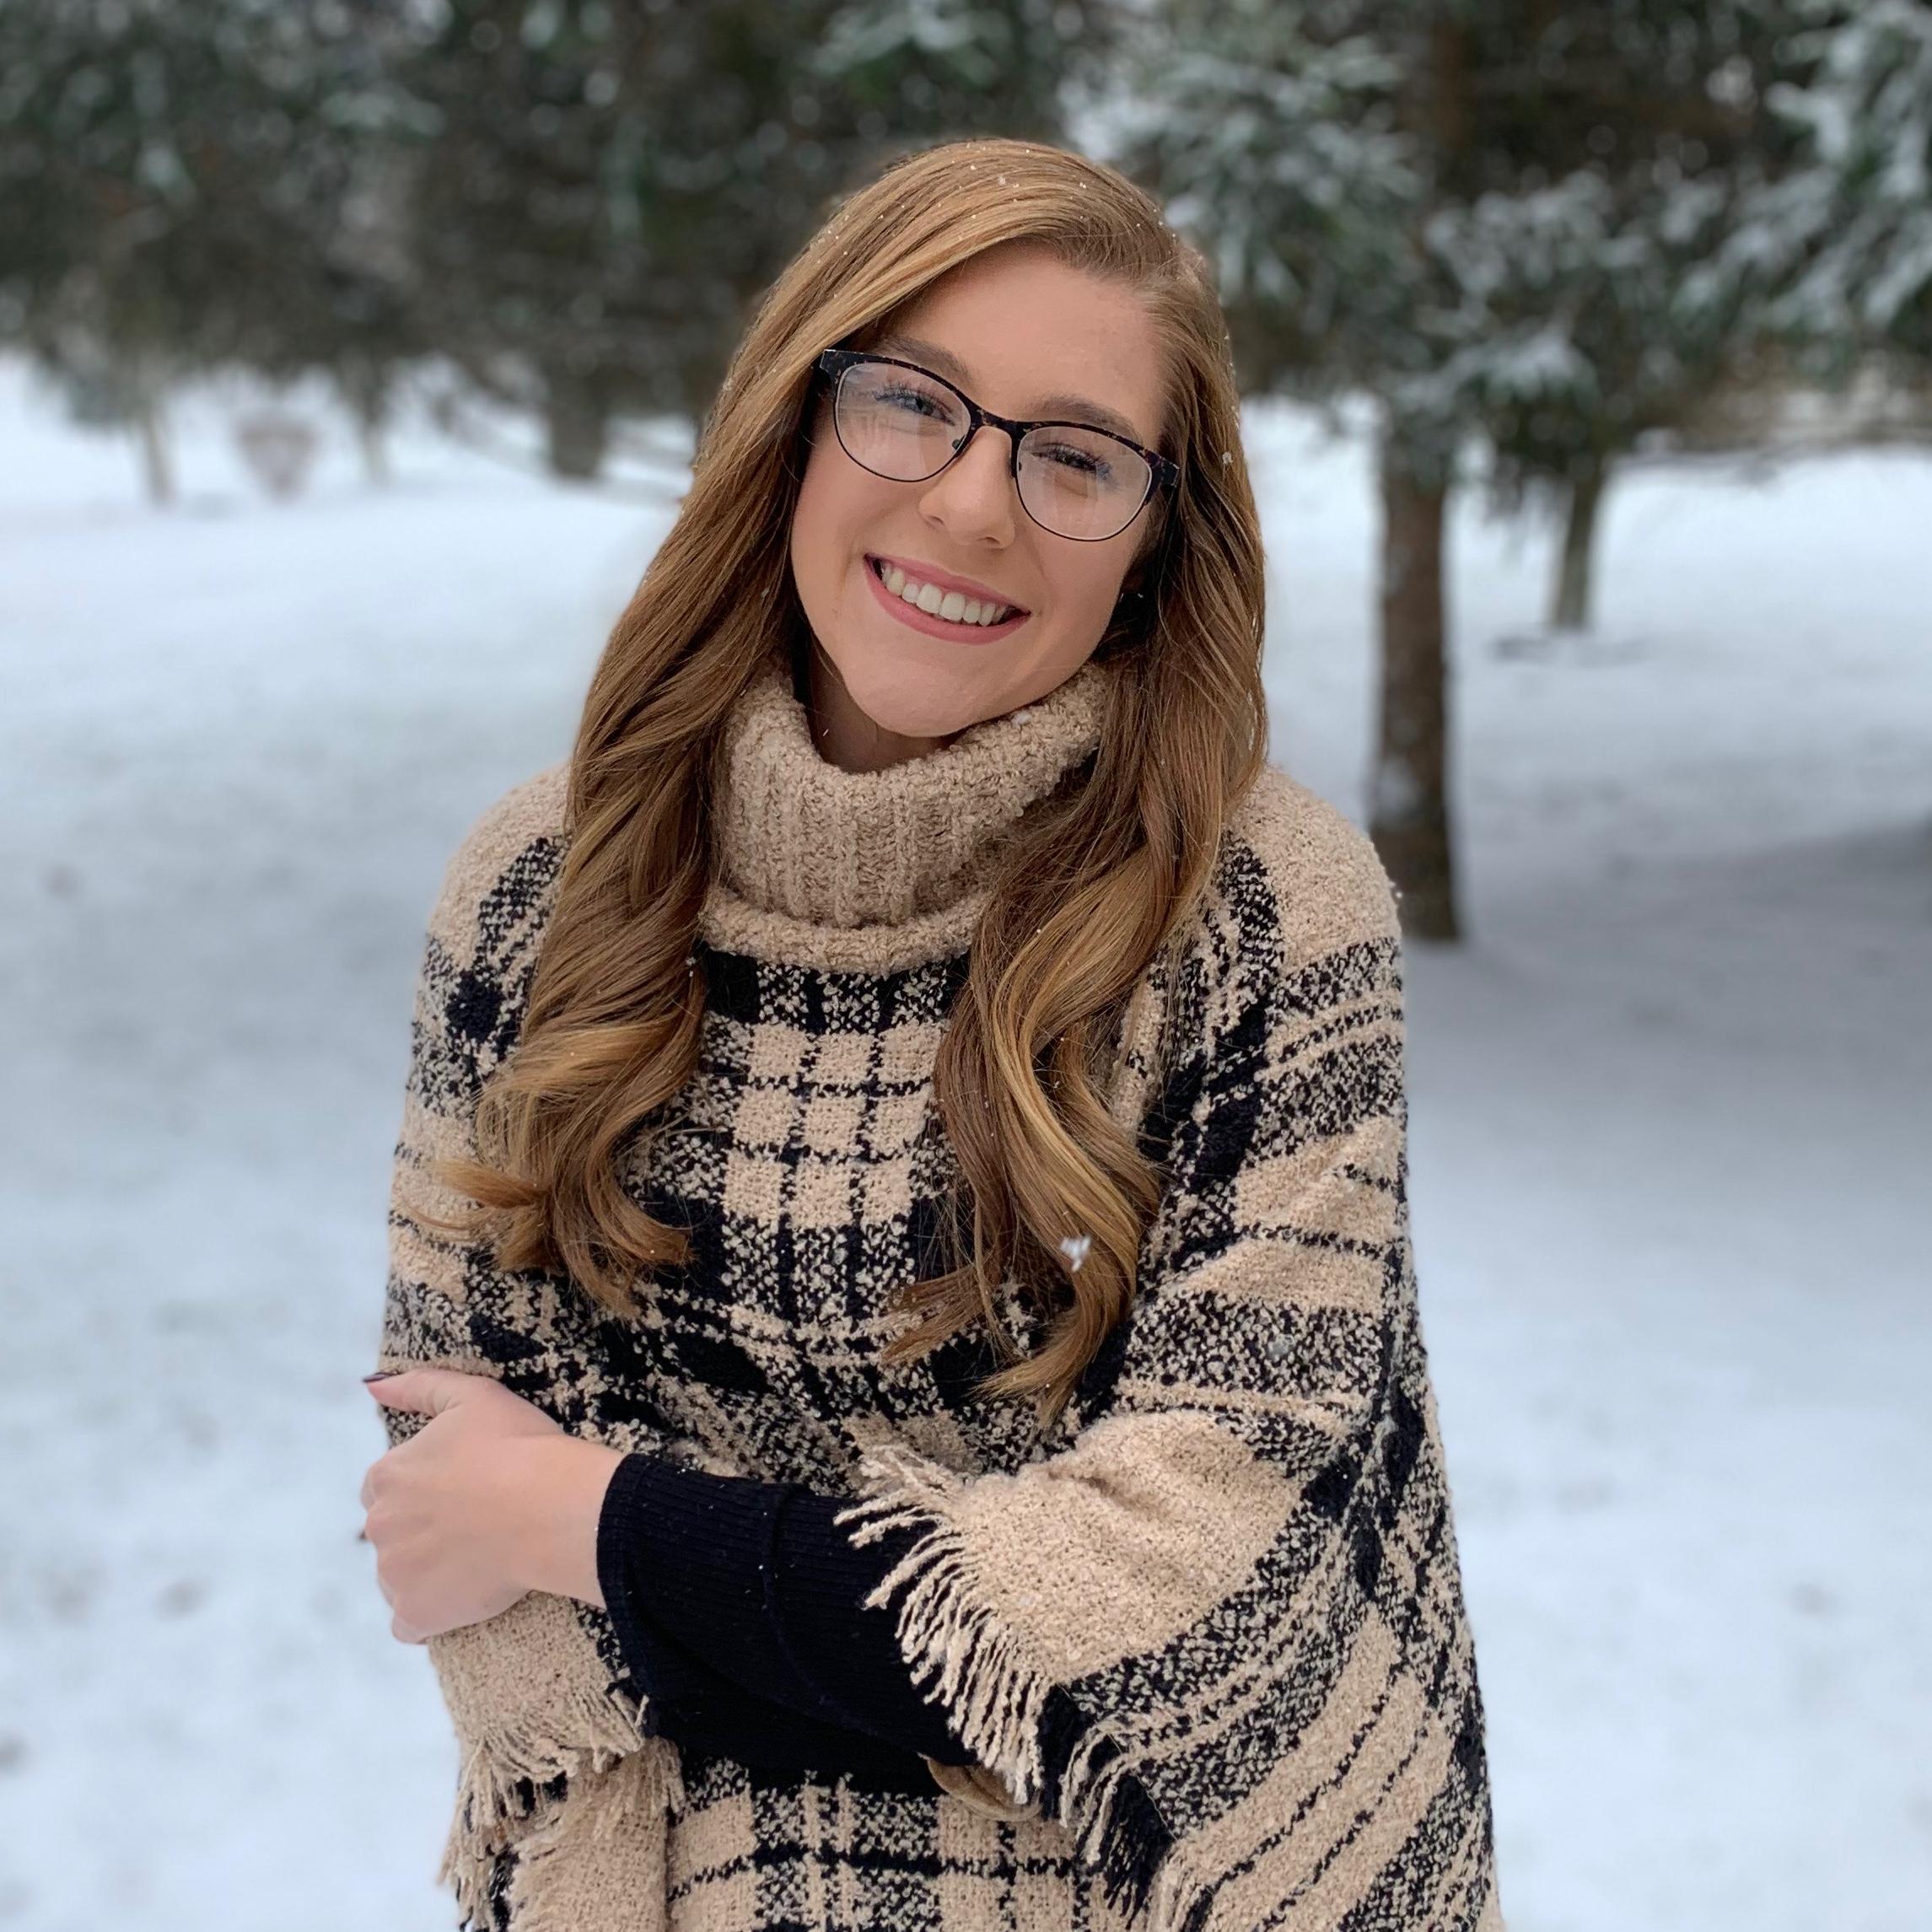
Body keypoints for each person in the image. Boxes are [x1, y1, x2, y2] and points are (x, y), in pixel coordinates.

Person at [359, 137, 1504, 1932]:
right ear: (795, 423)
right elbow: (452, 1516)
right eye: (912, 402)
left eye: (1075, 457)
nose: (974, 505)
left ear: (1156, 538)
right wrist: (937, 1639)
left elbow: (1203, 1595)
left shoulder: (1261, 915)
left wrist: (593, 1522)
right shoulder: (540, 886)